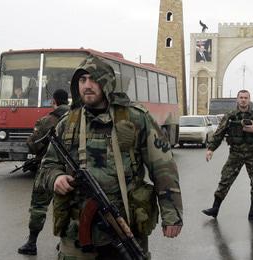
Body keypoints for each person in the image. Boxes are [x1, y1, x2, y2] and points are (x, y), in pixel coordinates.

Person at [38, 56, 183, 259]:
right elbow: (47, 166)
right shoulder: (68, 122)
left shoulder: (135, 118)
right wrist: (56, 178)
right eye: (82, 80)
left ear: (106, 82)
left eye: (93, 79)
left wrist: (172, 215)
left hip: (123, 224)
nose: (87, 86)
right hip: (77, 229)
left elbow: (163, 167)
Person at [203, 89, 253, 222]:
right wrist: (211, 149)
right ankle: (215, 209)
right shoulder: (230, 116)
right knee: (225, 180)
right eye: (241, 97)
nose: (243, 100)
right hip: (236, 153)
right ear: (237, 100)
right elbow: (219, 133)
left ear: (249, 100)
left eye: (246, 98)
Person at [17, 89, 70, 255]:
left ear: (54, 101)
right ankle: (64, 243)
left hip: (47, 169)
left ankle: (31, 243)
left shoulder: (47, 120)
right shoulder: (77, 119)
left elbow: (33, 144)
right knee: (66, 207)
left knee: (38, 207)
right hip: (69, 171)